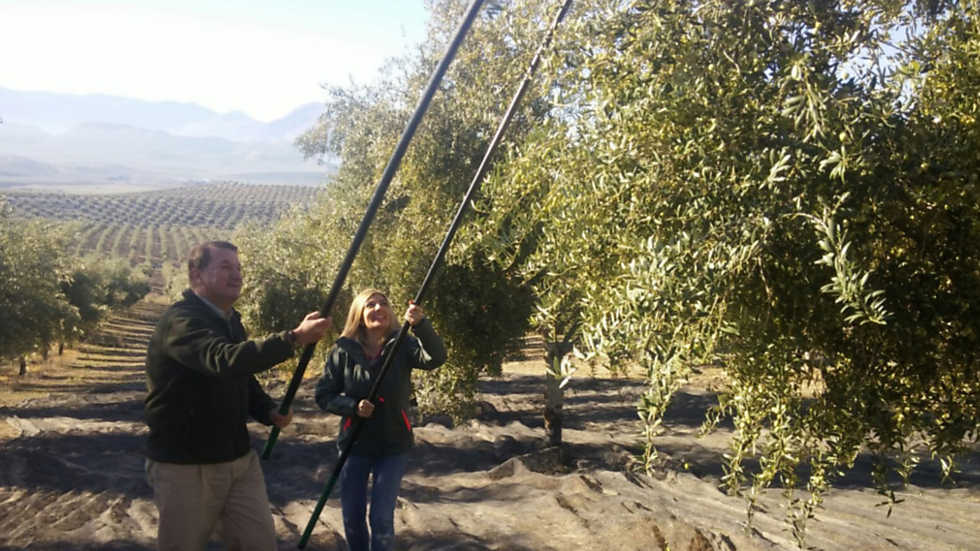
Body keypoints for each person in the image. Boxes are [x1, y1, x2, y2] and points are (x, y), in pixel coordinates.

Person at [143, 240, 331, 551]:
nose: (237, 275)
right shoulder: (181, 322)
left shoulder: (230, 320)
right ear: (196, 274)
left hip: (239, 461)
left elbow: (240, 377)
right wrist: (293, 338)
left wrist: (266, 410)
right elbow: (224, 360)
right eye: (225, 267)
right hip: (186, 466)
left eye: (239, 268)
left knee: (259, 543)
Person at [315, 288, 446, 551]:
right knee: (352, 518)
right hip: (355, 444)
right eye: (370, 305)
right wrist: (353, 407)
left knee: (381, 518)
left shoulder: (403, 344)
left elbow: (435, 358)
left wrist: (421, 325)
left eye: (383, 303)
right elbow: (324, 395)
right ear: (359, 314)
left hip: (393, 443)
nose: (378, 308)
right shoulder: (343, 350)